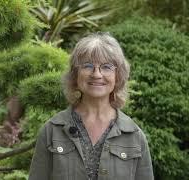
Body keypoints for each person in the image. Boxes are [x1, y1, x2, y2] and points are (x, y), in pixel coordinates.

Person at [28, 32, 154, 180]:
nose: (97, 74)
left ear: (118, 76)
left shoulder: (134, 137)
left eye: (106, 67)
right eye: (88, 66)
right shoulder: (52, 131)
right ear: (75, 74)